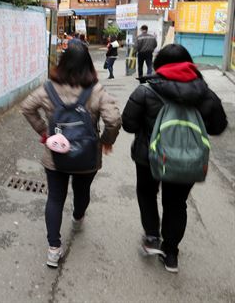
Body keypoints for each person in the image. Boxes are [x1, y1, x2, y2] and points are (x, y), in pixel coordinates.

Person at [121, 44, 227, 273]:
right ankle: (171, 255)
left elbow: (128, 124)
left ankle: (151, 237)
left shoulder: (146, 91)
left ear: (159, 65)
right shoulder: (204, 93)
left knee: (147, 193)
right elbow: (219, 126)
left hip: (148, 157)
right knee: (176, 203)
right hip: (187, 161)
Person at [21, 41, 121, 268]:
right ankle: (77, 218)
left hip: (55, 156)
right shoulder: (95, 90)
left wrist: (44, 132)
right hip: (87, 158)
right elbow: (113, 120)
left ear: (63, 63)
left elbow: (27, 107)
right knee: (82, 190)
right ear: (88, 64)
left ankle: (53, 250)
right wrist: (105, 141)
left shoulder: (48, 89)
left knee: (55, 197)